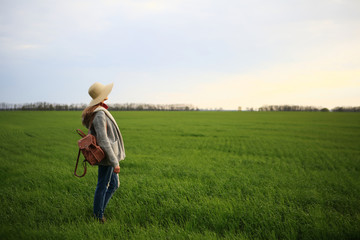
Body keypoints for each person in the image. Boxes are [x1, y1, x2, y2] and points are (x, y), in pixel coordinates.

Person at [81, 82, 126, 223]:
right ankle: (98, 215)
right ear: (102, 96)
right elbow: (103, 140)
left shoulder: (99, 110)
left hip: (109, 155)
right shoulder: (99, 114)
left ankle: (98, 211)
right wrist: (115, 161)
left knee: (113, 185)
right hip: (107, 156)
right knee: (103, 185)